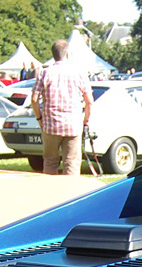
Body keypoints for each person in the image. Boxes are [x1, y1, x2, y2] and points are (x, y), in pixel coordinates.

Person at [31, 39, 93, 176]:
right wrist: (86, 120)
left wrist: (39, 118)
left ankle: (51, 194)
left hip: (50, 124)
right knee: (71, 163)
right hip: (73, 124)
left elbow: (34, 100)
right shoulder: (79, 73)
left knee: (50, 162)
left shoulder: (44, 73)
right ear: (68, 54)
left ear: (53, 54)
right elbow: (89, 101)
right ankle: (72, 194)